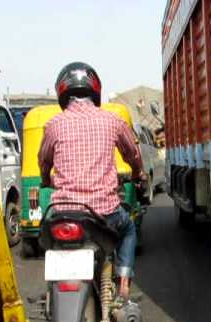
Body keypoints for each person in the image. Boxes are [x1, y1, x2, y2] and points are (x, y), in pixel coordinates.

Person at [38, 62, 146, 299]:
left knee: (46, 239)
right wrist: (138, 173)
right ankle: (124, 283)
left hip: (63, 211)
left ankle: (52, 292)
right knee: (128, 229)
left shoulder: (53, 125)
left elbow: (44, 161)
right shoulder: (112, 120)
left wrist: (46, 179)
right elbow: (133, 154)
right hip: (104, 212)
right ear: (94, 90)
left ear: (62, 92)